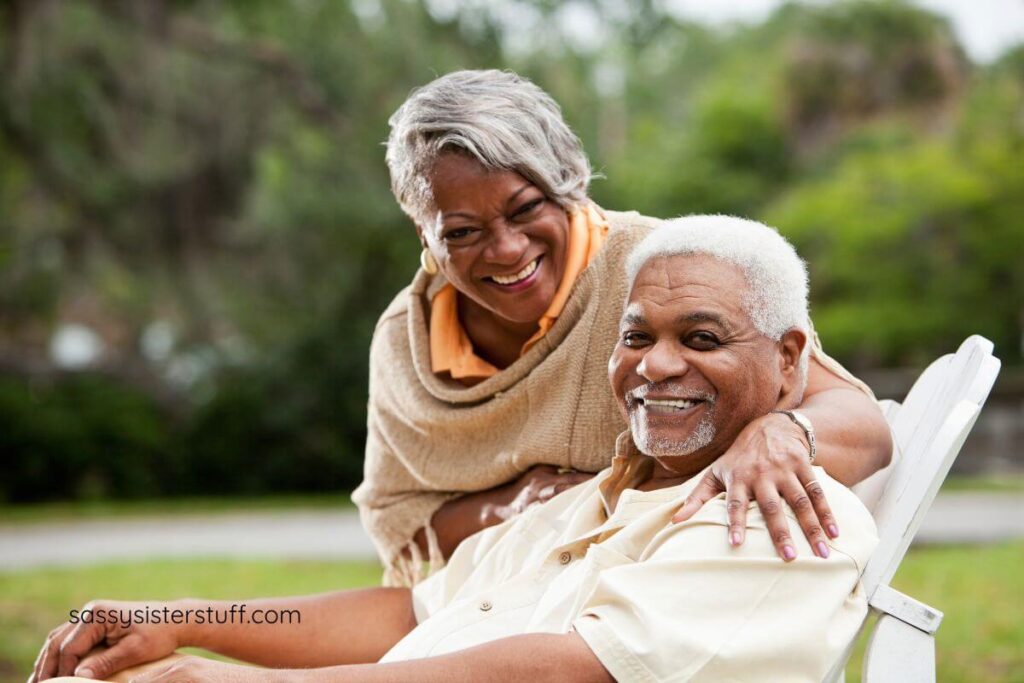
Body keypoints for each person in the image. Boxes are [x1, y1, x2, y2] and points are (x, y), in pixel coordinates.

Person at [31, 216, 877, 683]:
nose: (656, 365)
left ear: (791, 360)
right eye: (635, 335)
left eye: (701, 336)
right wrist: (182, 621)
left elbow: (565, 672)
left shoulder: (777, 512)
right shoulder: (592, 496)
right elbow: (408, 614)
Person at [354, 68, 891, 584]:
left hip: (658, 583)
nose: (507, 249)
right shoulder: (407, 338)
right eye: (463, 232)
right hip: (493, 598)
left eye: (525, 209)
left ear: (569, 184)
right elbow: (399, 515)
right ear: (423, 232)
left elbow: (860, 424)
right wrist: (515, 508)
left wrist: (782, 431)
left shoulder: (664, 270)